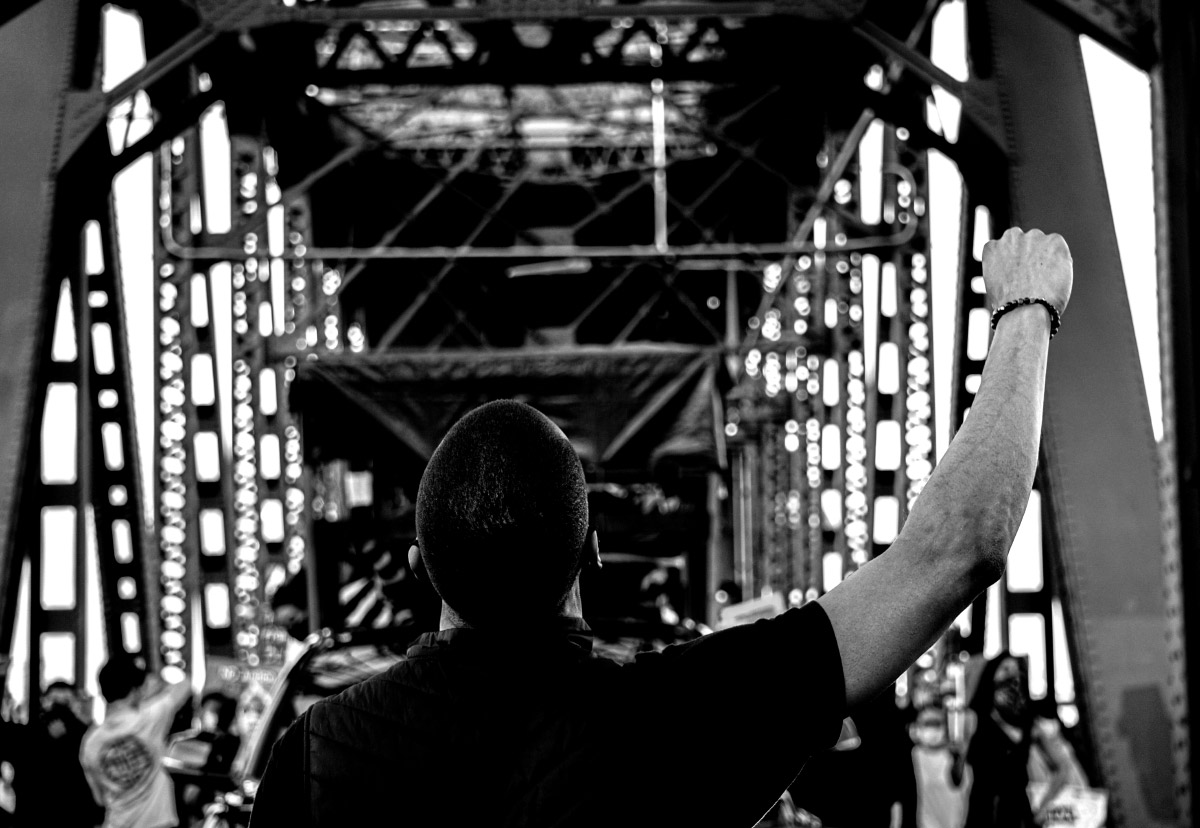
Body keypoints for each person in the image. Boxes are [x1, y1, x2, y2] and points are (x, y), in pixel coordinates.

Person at [250, 227, 1073, 828]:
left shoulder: (311, 757)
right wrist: (1025, 308)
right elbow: (956, 550)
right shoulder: (684, 721)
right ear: (592, 555)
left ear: (421, 566)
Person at [79, 653, 192, 828]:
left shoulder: (90, 742)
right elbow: (184, 685)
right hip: (157, 824)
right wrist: (155, 687)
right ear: (135, 690)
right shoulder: (150, 717)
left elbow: (100, 799)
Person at [0, 677, 103, 827]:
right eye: (54, 701)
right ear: (43, 702)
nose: (59, 708)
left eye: (66, 702)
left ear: (76, 704)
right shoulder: (29, 737)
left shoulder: (89, 739)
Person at [964, 653, 1035, 828]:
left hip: (1015, 810)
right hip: (983, 809)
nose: (1011, 675)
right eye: (1005, 669)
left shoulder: (1026, 720)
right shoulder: (977, 719)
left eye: (1016, 671)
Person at [910, 702, 972, 828]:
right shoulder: (916, 755)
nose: (931, 729)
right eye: (926, 724)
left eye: (935, 723)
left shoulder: (954, 756)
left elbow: (957, 779)